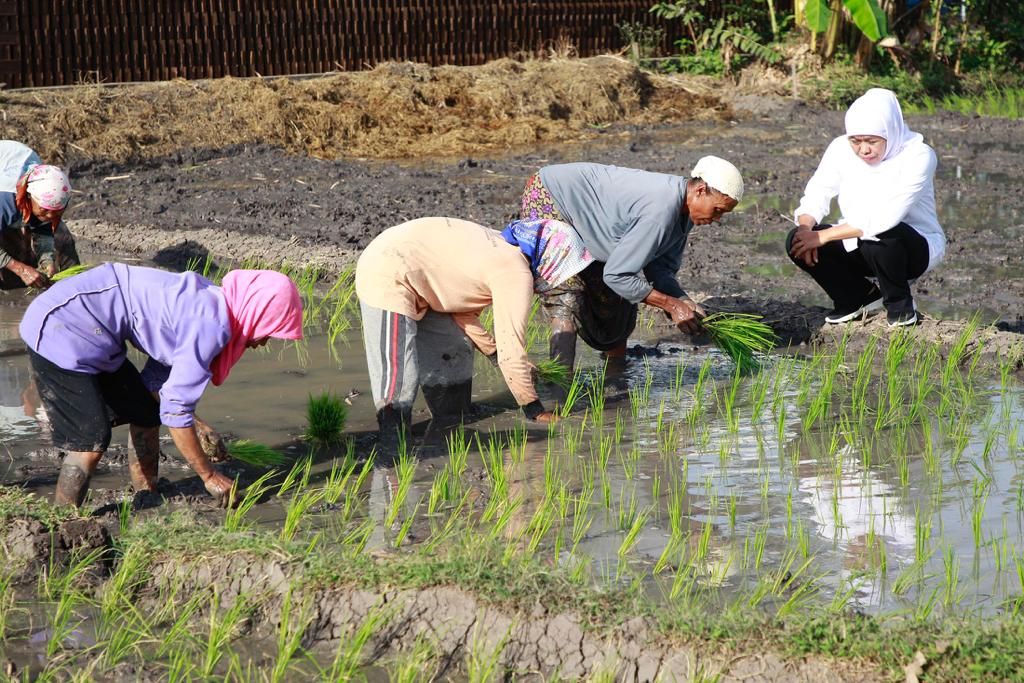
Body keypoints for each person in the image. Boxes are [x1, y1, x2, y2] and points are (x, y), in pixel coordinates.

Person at [18, 263, 303, 506]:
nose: (263, 342)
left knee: (145, 410)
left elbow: (158, 386)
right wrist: (209, 476)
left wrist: (199, 425)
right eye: (268, 330)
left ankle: (146, 494)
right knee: (90, 442)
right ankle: (63, 522)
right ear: (256, 313)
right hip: (62, 326)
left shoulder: (210, 305)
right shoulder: (210, 325)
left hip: (91, 327)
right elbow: (176, 412)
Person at [356, 216, 592, 452]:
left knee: (454, 353)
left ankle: (448, 423)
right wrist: (534, 410)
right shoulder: (514, 272)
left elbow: (463, 314)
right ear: (552, 258)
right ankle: (392, 450)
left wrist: (493, 354)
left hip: (424, 283)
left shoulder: (507, 247)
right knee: (400, 376)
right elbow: (511, 354)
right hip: (388, 269)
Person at [519, 158, 743, 370]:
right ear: (700, 190)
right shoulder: (660, 212)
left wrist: (683, 300)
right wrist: (671, 306)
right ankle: (559, 389)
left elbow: (660, 269)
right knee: (567, 295)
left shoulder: (685, 213)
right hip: (552, 197)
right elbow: (617, 275)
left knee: (618, 298)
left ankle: (616, 375)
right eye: (717, 210)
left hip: (591, 214)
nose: (717, 219)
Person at [786, 88, 945, 327]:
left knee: (879, 234)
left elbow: (884, 218)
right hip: (859, 242)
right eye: (856, 141)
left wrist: (822, 236)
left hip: (913, 247)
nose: (864, 150)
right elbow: (818, 192)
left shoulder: (919, 155)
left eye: (872, 141)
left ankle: (900, 306)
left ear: (891, 132)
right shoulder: (839, 148)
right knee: (795, 241)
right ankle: (857, 298)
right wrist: (805, 229)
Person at [0, 151, 81, 290]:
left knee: (61, 236)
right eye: (45, 210)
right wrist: (20, 269)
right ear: (29, 197)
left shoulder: (44, 185)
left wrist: (47, 261)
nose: (50, 216)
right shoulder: (6, 202)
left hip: (15, 160)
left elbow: (43, 227)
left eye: (57, 212)